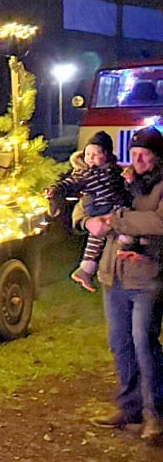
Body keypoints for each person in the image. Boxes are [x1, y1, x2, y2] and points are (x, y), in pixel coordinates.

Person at [81, 126, 163, 443]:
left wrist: (115, 220)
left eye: (145, 155)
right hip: (113, 273)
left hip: (147, 276)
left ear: (157, 158)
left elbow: (158, 222)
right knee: (120, 343)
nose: (137, 160)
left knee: (144, 343)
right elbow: (88, 201)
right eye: (134, 154)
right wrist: (86, 220)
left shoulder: (159, 186)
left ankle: (155, 413)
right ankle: (129, 407)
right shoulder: (120, 178)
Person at [47, 131, 132, 292]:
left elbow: (123, 189)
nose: (91, 157)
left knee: (97, 237)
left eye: (96, 154)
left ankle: (86, 269)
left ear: (107, 155)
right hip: (99, 207)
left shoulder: (114, 172)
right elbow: (70, 183)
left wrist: (128, 181)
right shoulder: (85, 174)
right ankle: (123, 240)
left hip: (113, 206)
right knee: (104, 227)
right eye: (87, 154)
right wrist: (56, 190)